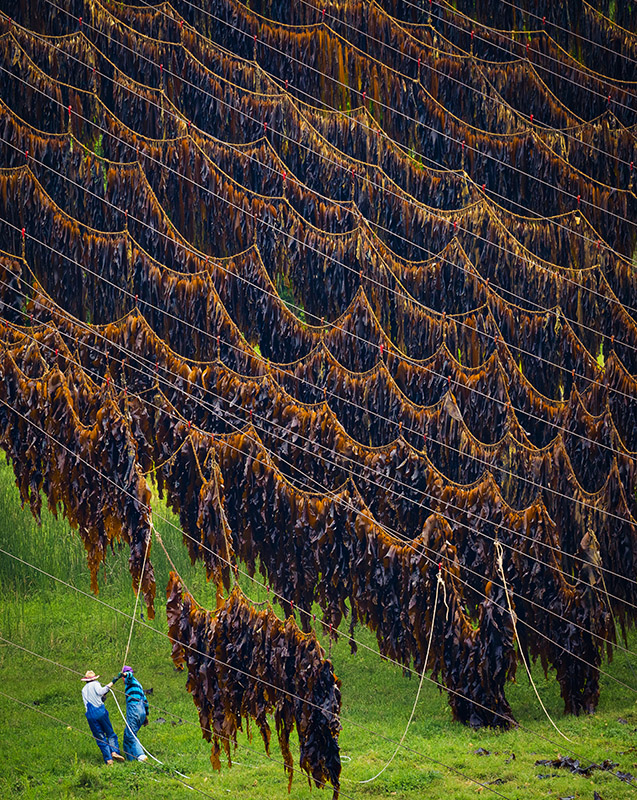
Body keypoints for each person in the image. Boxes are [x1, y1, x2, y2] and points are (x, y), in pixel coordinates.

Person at [80, 670, 125, 765]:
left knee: (100, 737)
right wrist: (113, 682)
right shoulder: (95, 684)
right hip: (100, 712)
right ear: (94, 678)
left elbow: (88, 702)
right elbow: (101, 691)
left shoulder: (83, 690)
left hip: (90, 715)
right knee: (110, 733)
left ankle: (108, 759)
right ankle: (114, 752)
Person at [112, 665, 149, 762]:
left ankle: (141, 755)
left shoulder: (130, 681)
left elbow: (129, 676)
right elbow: (145, 701)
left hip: (134, 710)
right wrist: (146, 716)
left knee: (130, 735)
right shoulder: (138, 684)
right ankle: (131, 760)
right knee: (127, 735)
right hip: (142, 710)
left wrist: (124, 674)